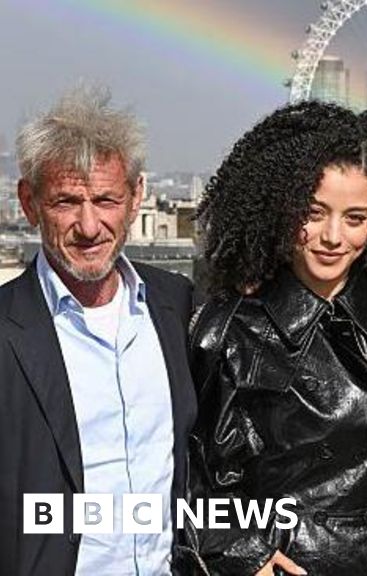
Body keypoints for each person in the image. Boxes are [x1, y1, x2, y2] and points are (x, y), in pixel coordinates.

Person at [184, 101, 367, 576]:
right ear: (280, 209)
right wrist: (243, 553)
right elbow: (190, 476)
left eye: (355, 218)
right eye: (314, 213)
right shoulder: (228, 331)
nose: (332, 237)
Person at [0, 87, 196, 574]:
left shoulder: (178, 306)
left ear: (137, 197)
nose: (89, 226)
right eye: (67, 202)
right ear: (29, 203)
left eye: (106, 200)